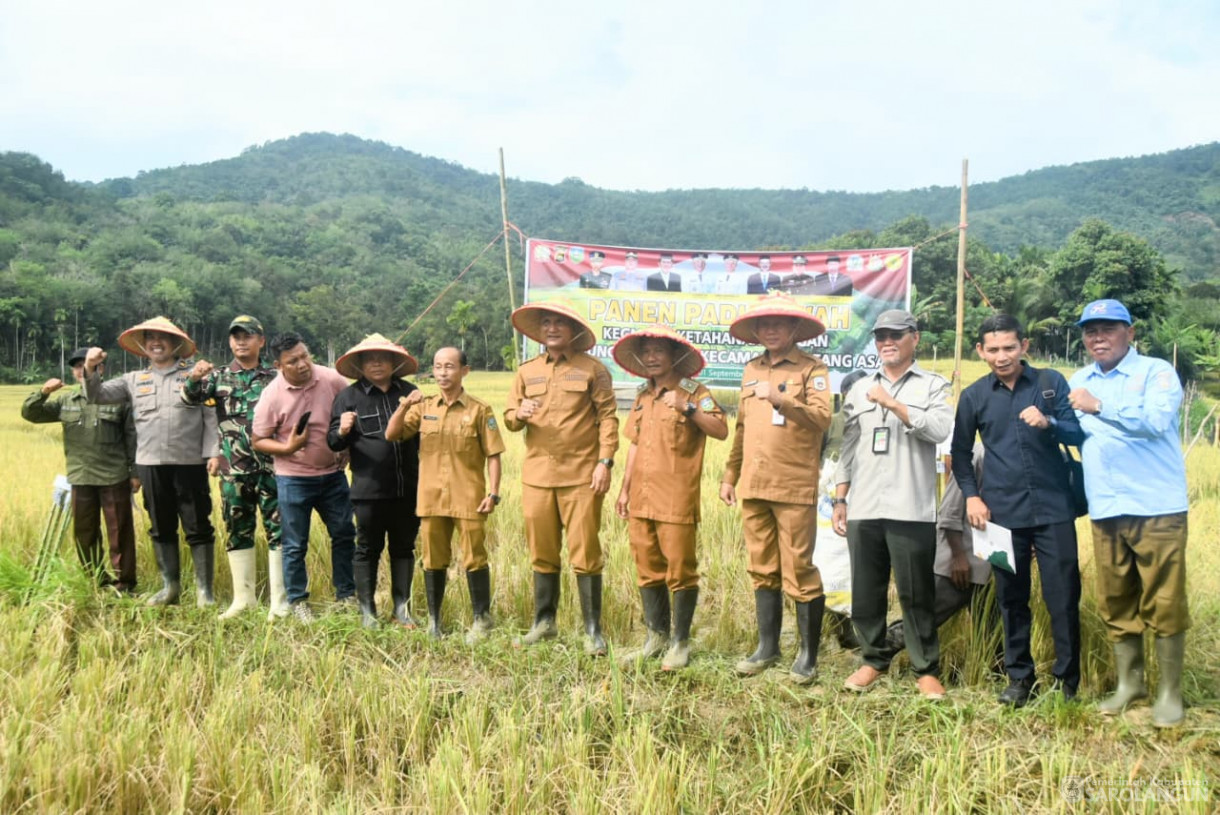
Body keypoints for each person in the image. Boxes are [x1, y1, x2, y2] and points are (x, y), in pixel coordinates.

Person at [1068, 298, 1190, 728]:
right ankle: (1130, 684)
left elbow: (1156, 421)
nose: (1097, 337)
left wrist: (1098, 405)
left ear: (1130, 333)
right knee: (1116, 598)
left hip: (1156, 506)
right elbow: (1075, 429)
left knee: (1165, 598)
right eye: (1090, 330)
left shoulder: (1155, 372)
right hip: (1105, 506)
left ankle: (1169, 692)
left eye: (1108, 328)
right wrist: (1050, 423)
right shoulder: (1079, 378)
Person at [950, 313, 1084, 705]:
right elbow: (959, 455)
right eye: (992, 349)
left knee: (1062, 597)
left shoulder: (1050, 383)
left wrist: (1050, 422)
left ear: (1024, 346)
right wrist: (972, 496)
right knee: (1010, 598)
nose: (1002, 356)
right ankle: (1020, 679)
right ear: (980, 351)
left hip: (1055, 509)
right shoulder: (973, 395)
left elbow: (1079, 433)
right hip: (1000, 515)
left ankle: (1066, 684)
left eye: (1009, 347)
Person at [832, 310, 952, 700]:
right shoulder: (858, 388)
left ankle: (925, 669)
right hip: (864, 505)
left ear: (914, 338)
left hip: (910, 506)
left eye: (896, 335)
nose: (887, 342)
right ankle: (872, 660)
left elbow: (938, 429)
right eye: (881, 336)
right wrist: (840, 497)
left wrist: (893, 404)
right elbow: (847, 448)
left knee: (917, 594)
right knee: (866, 591)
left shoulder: (933, 386)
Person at [720, 293, 832, 684]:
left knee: (799, 568)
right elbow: (742, 429)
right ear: (756, 332)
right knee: (761, 568)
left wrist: (782, 400)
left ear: (794, 330)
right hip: (754, 483)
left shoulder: (812, 369)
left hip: (793, 483)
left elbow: (821, 418)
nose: (770, 330)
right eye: (763, 325)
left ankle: (807, 655)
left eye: (778, 324)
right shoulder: (751, 369)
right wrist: (729, 475)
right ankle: (768, 646)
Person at [505, 301, 619, 655]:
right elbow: (510, 416)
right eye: (546, 323)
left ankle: (592, 631)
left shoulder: (592, 369)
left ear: (573, 331)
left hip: (581, 475)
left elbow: (608, 418)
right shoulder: (527, 371)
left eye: (560, 323)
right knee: (542, 552)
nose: (552, 328)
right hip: (537, 475)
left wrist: (605, 462)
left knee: (585, 552)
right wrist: (518, 414)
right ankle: (544, 622)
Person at [83, 317, 219, 607]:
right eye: (149, 338)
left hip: (190, 463)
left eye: (162, 337)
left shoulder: (195, 376)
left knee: (198, 525)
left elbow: (210, 418)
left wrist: (212, 453)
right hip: (150, 464)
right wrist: (90, 368)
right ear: (143, 346)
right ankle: (170, 588)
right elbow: (97, 395)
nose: (156, 342)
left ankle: (204, 592)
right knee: (161, 525)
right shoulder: (133, 380)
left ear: (177, 344)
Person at [613, 326, 727, 669]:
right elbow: (634, 444)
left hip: (676, 497)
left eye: (657, 351)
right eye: (645, 351)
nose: (650, 357)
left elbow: (721, 430)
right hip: (641, 497)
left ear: (674, 356)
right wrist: (624, 488)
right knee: (647, 569)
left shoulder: (694, 391)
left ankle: (680, 643)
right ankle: (655, 638)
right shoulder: (641, 395)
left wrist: (688, 408)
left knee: (681, 570)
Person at [386, 347, 505, 642]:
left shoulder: (479, 409)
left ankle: (481, 619)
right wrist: (403, 406)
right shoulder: (424, 406)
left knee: (474, 557)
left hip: (469, 497)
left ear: (464, 370)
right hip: (431, 498)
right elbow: (392, 434)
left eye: (449, 366)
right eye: (438, 367)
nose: (442, 373)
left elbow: (494, 455)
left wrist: (493, 493)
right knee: (432, 559)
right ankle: (434, 622)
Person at [182, 315, 287, 620]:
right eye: (236, 336)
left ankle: (279, 602)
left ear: (261, 341)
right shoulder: (218, 377)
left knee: (279, 529)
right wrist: (193, 377)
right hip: (233, 469)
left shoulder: (275, 377)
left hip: (273, 468)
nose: (241, 341)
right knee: (237, 530)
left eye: (248, 335)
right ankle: (244, 600)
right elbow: (189, 399)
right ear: (230, 341)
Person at [251, 332, 356, 624]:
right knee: (295, 543)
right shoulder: (272, 395)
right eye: (293, 361)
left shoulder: (331, 379)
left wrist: (346, 445)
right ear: (278, 365)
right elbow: (258, 439)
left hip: (333, 476)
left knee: (344, 534)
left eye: (304, 356)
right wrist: (287, 447)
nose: (302, 364)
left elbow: (351, 410)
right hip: (293, 479)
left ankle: (346, 595)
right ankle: (298, 601)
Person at [22, 348, 139, 593]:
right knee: (84, 533)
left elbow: (132, 437)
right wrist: (44, 392)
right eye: (76, 366)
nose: (79, 370)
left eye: (85, 365)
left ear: (101, 369)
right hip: (80, 475)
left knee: (120, 533)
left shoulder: (119, 399)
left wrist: (135, 473)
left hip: (114, 475)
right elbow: (30, 413)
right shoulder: (67, 401)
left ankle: (125, 584)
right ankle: (97, 581)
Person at [327, 334, 421, 630]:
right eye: (369, 358)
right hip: (368, 489)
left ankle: (401, 609)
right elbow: (331, 442)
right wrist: (341, 430)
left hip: (408, 486)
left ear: (395, 362)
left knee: (404, 547)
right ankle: (368, 611)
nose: (377, 363)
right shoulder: (348, 397)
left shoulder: (410, 392)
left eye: (383, 357)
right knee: (367, 547)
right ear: (360, 364)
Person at [879, 443, 997, 665]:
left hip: (992, 563)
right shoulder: (976, 455)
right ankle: (875, 655)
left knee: (994, 628)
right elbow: (949, 513)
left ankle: (993, 677)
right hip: (962, 562)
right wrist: (958, 557)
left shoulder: (1016, 454)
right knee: (923, 621)